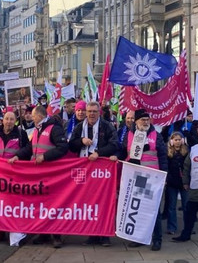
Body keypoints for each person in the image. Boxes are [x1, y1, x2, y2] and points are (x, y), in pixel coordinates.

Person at [14, 105, 68, 248]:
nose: (31, 117)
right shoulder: (37, 130)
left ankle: (56, 236)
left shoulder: (54, 128)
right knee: (42, 204)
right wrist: (17, 156)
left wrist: (45, 156)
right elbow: (30, 148)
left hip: (52, 173)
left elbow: (62, 148)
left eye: (33, 115)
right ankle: (43, 234)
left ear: (39, 115)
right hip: (39, 174)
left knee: (53, 204)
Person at [69, 101, 118, 247]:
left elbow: (115, 144)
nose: (91, 114)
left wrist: (99, 153)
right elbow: (71, 145)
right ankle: (92, 233)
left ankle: (104, 235)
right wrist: (81, 141)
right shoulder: (79, 127)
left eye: (94, 112)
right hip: (84, 170)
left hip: (102, 171)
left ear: (99, 112)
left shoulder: (107, 126)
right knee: (88, 202)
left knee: (103, 202)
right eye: (89, 111)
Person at [120, 109, 168, 251]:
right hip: (136, 177)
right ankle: (140, 237)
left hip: (153, 178)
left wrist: (164, 175)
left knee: (153, 209)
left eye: (147, 120)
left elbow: (163, 157)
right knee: (138, 208)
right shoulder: (128, 135)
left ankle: (157, 239)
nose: (146, 122)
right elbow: (123, 152)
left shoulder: (156, 135)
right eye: (143, 120)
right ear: (136, 122)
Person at [0, 111, 30, 243]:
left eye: (11, 119)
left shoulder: (21, 133)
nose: (9, 121)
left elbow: (28, 149)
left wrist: (18, 156)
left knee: (12, 203)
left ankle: (14, 230)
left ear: (15, 121)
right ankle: (0, 230)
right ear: (3, 120)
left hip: (14, 174)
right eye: (7, 119)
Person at [165, 131, 189, 236]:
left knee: (186, 206)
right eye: (175, 140)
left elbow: (188, 168)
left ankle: (188, 226)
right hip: (172, 182)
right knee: (171, 206)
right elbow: (166, 166)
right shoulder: (168, 153)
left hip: (184, 182)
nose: (178, 142)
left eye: (179, 140)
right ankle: (171, 227)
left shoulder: (186, 151)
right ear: (171, 141)